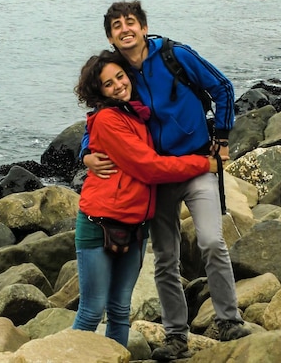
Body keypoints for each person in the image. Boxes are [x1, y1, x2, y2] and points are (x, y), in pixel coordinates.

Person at [82, 0, 251, 360]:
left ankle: (229, 320)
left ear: (144, 27)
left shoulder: (176, 55)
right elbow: (99, 117)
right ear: (111, 37)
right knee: (165, 258)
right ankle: (176, 336)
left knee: (210, 241)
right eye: (117, 26)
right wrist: (86, 152)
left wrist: (221, 139)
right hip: (156, 179)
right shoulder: (117, 74)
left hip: (198, 165)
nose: (125, 29)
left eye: (131, 22)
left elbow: (222, 87)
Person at [71, 50, 220, 348]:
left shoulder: (137, 114)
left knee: (120, 310)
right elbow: (150, 168)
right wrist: (205, 164)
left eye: (120, 77)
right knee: (91, 311)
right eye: (107, 83)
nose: (118, 85)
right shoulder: (108, 119)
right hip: (100, 224)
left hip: (136, 227)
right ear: (97, 91)